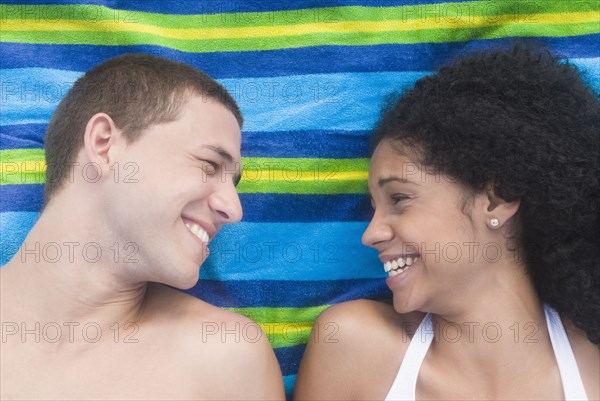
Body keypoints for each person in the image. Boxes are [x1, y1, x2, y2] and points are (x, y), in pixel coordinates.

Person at [294, 43, 599, 400]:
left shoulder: (592, 364)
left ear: (497, 199)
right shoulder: (352, 345)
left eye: (400, 198)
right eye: (372, 208)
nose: (371, 234)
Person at [0, 54, 285, 400]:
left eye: (233, 184)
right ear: (104, 144)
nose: (234, 209)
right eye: (210, 165)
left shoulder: (226, 358)